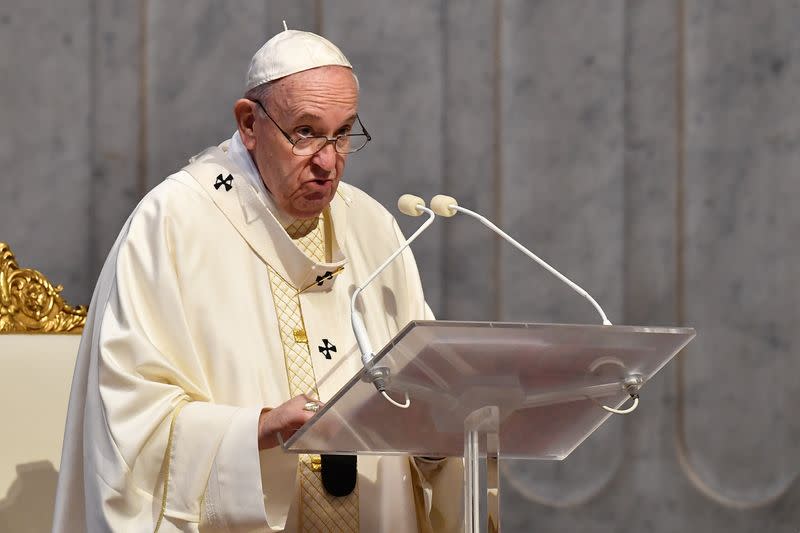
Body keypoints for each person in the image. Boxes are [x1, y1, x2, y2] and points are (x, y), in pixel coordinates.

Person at [52, 28, 461, 532]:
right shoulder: (172, 223)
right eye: (305, 133)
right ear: (249, 123)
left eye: (343, 133)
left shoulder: (372, 227)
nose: (329, 162)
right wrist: (256, 429)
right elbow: (126, 425)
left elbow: (429, 391)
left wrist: (438, 435)